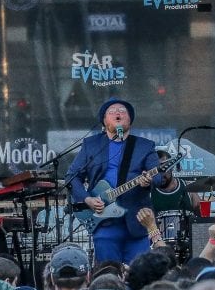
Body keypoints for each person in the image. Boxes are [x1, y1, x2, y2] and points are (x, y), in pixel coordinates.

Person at [66, 98, 166, 264]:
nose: (118, 113)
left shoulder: (145, 146)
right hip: (104, 223)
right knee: (108, 271)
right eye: (112, 111)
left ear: (130, 120)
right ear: (104, 121)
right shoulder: (91, 145)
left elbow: (158, 177)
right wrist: (87, 199)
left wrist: (148, 181)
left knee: (139, 271)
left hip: (137, 221)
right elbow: (72, 177)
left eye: (122, 111)